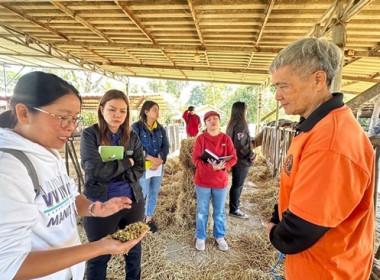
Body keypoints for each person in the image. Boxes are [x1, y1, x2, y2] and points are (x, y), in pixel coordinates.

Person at [0, 71, 147, 280]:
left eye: (74, 119)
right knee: (98, 263)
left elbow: (67, 193)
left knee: (134, 252)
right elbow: (8, 266)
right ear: (24, 113)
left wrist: (94, 208)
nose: (70, 127)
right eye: (62, 117)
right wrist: (99, 247)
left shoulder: (48, 151)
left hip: (68, 271)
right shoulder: (8, 168)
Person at [266, 38, 374, 280]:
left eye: (283, 86)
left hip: (327, 271)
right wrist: (279, 213)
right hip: (311, 265)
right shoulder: (314, 128)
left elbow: (299, 231)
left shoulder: (331, 142)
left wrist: (275, 232)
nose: (277, 96)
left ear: (318, 79)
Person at [80, 89, 146, 280]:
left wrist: (114, 173)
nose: (117, 115)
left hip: (132, 201)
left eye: (123, 111)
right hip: (100, 203)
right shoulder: (90, 135)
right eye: (112, 109)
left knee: (134, 249)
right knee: (99, 255)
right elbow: (94, 170)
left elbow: (140, 166)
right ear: (101, 109)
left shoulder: (132, 137)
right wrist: (126, 163)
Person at [192, 111, 237, 251]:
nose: (213, 121)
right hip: (203, 181)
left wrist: (224, 165)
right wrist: (210, 167)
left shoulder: (225, 139)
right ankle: (200, 236)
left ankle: (219, 236)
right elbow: (196, 159)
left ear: (219, 122)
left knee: (219, 211)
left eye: (215, 119)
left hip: (220, 182)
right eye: (209, 119)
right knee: (202, 211)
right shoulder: (201, 139)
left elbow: (234, 158)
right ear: (205, 123)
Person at [131, 101, 169, 233]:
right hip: (143, 165)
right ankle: (137, 219)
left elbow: (166, 146)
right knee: (143, 193)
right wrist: (152, 159)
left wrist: (160, 160)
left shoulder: (160, 128)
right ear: (146, 112)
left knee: (154, 192)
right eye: (154, 110)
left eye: (158, 110)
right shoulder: (136, 127)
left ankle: (149, 219)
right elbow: (135, 148)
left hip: (158, 165)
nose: (157, 112)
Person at [226, 101, 256, 219]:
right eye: (245, 109)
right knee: (237, 184)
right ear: (242, 111)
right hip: (241, 160)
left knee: (237, 183)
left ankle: (236, 202)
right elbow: (240, 146)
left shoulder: (231, 124)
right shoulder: (241, 125)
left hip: (234, 158)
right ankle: (234, 209)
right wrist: (251, 154)